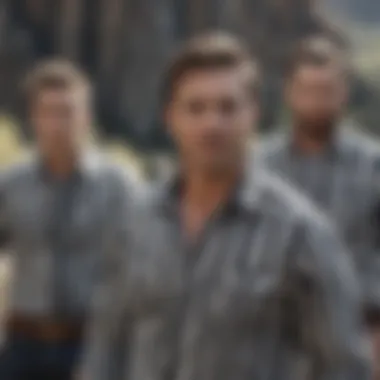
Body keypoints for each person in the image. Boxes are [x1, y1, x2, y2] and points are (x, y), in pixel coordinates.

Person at [80, 32, 370, 380]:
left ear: (253, 115)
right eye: (196, 108)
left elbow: (343, 365)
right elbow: (105, 349)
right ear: (171, 118)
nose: (212, 124)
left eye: (227, 107)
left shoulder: (302, 233)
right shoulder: (134, 224)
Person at [0, 60, 138, 380]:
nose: (58, 123)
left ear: (86, 117)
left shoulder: (119, 186)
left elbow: (139, 267)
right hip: (24, 341)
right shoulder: (11, 185)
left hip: (91, 340)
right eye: (48, 112)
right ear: (33, 118)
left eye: (68, 111)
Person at [257, 35, 380, 378]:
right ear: (289, 92)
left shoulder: (373, 166)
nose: (316, 102)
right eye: (307, 90)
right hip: (270, 345)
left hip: (357, 340)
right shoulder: (257, 167)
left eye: (327, 91)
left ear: (344, 94)